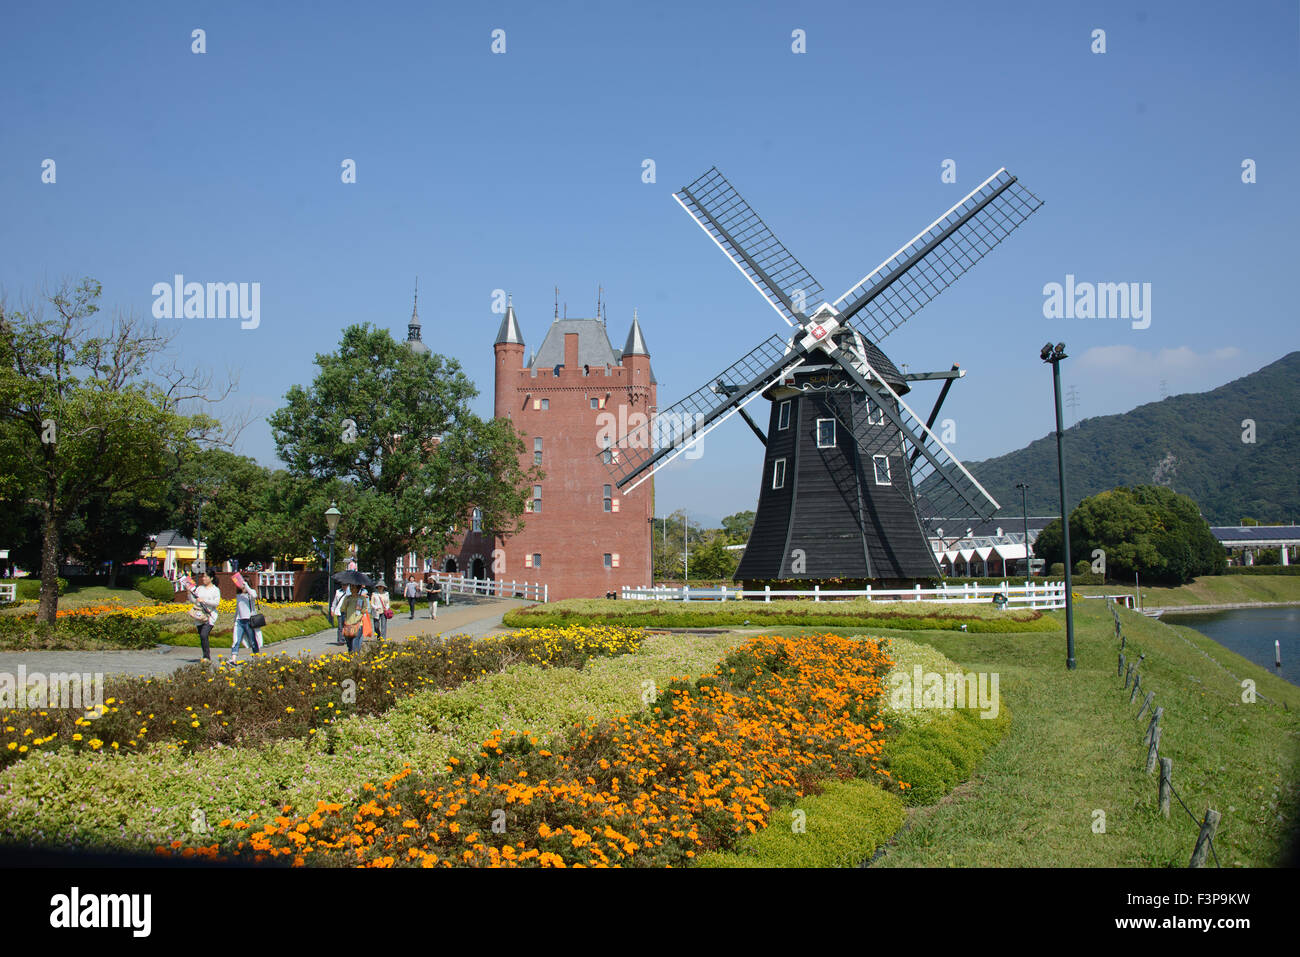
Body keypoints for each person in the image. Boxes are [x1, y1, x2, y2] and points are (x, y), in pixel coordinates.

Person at [188, 571, 221, 667]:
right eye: (203, 577)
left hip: (210, 616)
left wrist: (204, 601)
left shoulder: (215, 590)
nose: (203, 578)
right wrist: (189, 593)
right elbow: (194, 600)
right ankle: (205, 655)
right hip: (199, 616)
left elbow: (216, 603)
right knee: (202, 637)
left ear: (211, 578)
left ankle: (207, 657)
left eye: (206, 577)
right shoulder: (199, 588)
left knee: (204, 634)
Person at [230, 577, 262, 665]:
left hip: (249, 621)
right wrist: (235, 619)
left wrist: (246, 586)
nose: (242, 587)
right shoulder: (239, 596)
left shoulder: (251, 594)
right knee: (236, 640)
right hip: (239, 621)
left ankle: (256, 657)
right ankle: (233, 659)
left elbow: (255, 595)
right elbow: (238, 609)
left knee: (253, 640)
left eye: (243, 585)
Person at [339, 583, 367, 654]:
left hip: (358, 624)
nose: (352, 589)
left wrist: (359, 607)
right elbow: (342, 609)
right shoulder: (347, 598)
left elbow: (364, 610)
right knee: (349, 646)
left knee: (355, 644)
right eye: (351, 587)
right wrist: (347, 603)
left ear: (358, 588)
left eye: (354, 587)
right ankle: (351, 661)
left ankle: (355, 660)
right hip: (348, 624)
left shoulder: (362, 598)